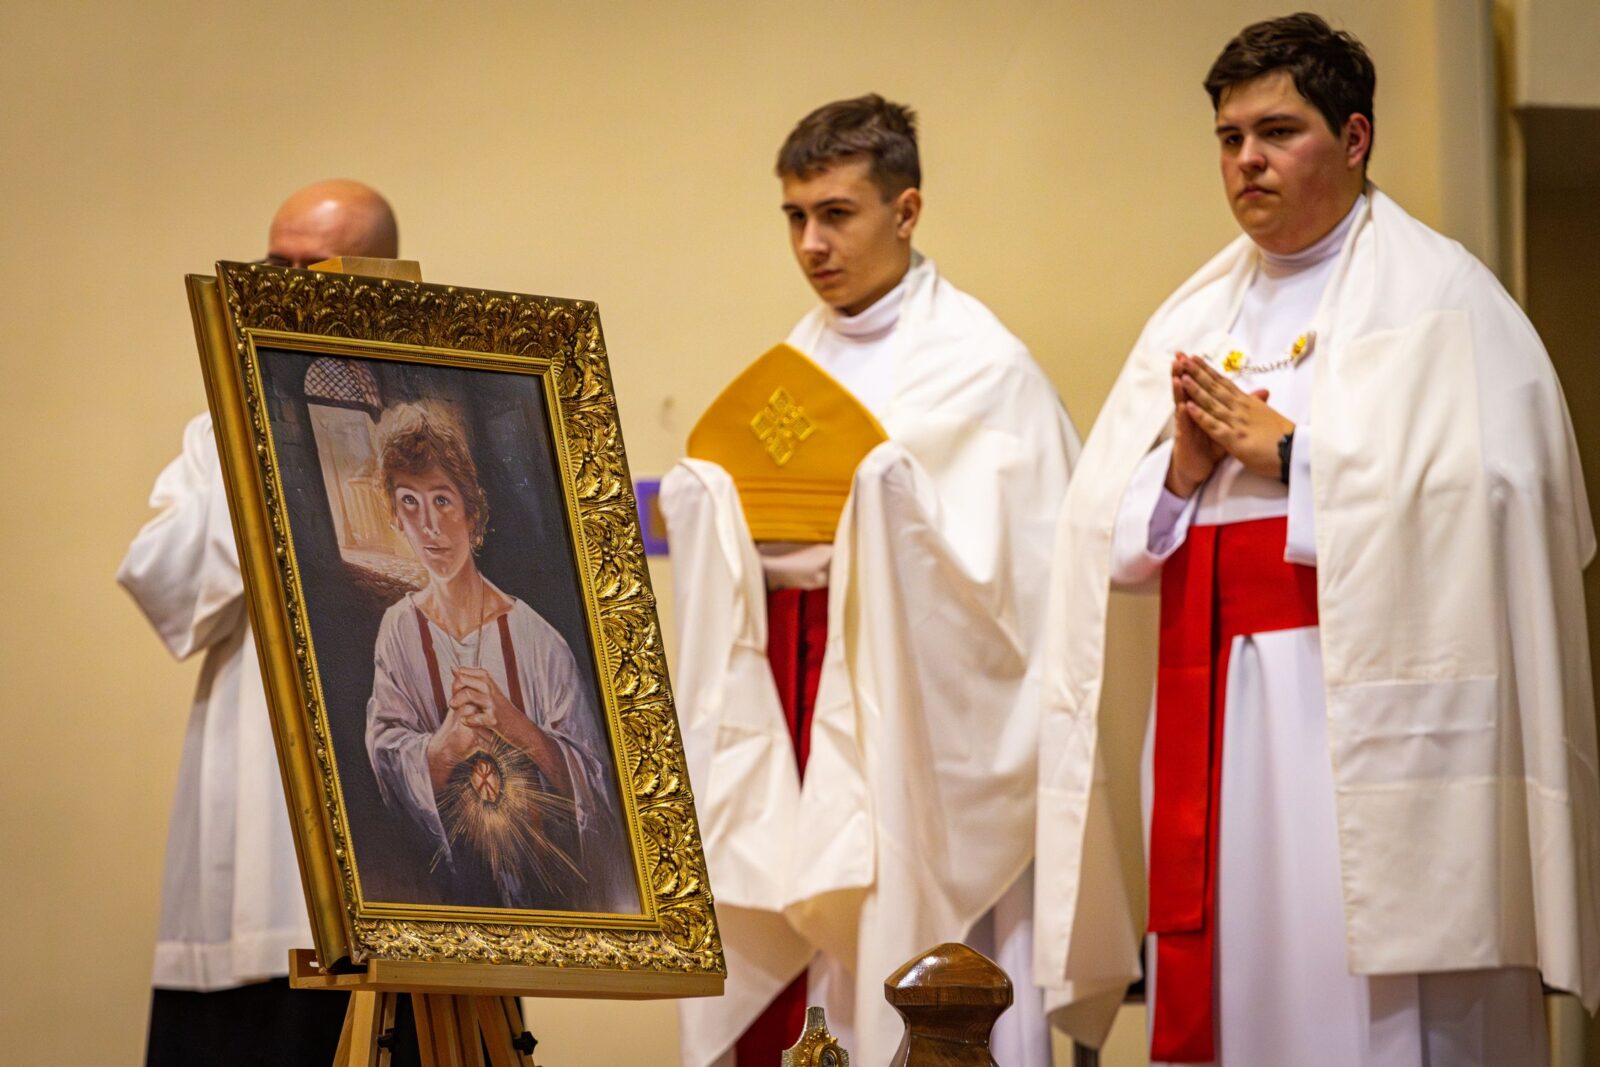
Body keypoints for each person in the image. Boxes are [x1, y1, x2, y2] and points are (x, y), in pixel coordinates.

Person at [1034, 14, 1599, 1067]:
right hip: (1216, 714)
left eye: (1277, 132)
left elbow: (1512, 503)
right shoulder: (1191, 316)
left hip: (1371, 720)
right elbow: (1095, 537)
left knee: (1382, 1005)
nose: (1245, 159)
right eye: (1229, 137)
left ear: (1354, 138)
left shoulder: (1441, 298)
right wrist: (1180, 473)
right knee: (1247, 983)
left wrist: (1298, 457)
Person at [663, 94, 1081, 1067]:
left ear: (907, 210)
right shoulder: (791, 368)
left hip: (919, 727)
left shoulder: (986, 369)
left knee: (906, 966)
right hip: (791, 690)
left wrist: (888, 511)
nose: (811, 244)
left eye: (836, 214)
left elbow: (1027, 592)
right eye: (795, 217)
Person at [118, 179, 406, 1065]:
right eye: (269, 265)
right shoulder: (221, 427)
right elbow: (164, 585)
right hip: (262, 800)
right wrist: (270, 447)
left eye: (310, 268)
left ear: (383, 277)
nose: (276, 287)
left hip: (401, 791)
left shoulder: (430, 409)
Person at [363, 402, 632, 913]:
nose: (430, 526)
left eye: (442, 500)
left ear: (472, 513)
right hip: (454, 899)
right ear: (395, 517)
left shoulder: (537, 639)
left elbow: (597, 786)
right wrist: (442, 749)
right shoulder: (398, 631)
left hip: (547, 896)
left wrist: (516, 726)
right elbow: (385, 755)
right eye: (410, 503)